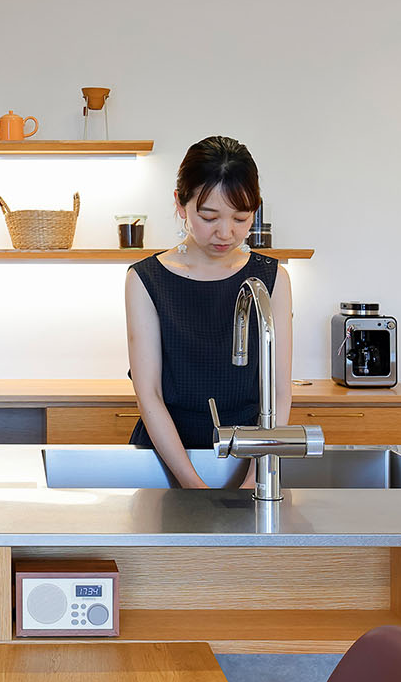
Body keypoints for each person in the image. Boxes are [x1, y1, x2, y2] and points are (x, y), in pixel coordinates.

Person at [124, 136, 292, 488]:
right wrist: (193, 485)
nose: (226, 233)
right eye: (209, 217)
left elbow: (278, 392)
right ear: (180, 203)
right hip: (165, 462)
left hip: (249, 459)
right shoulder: (145, 279)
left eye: (241, 218)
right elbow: (149, 394)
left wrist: (254, 480)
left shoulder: (272, 278)